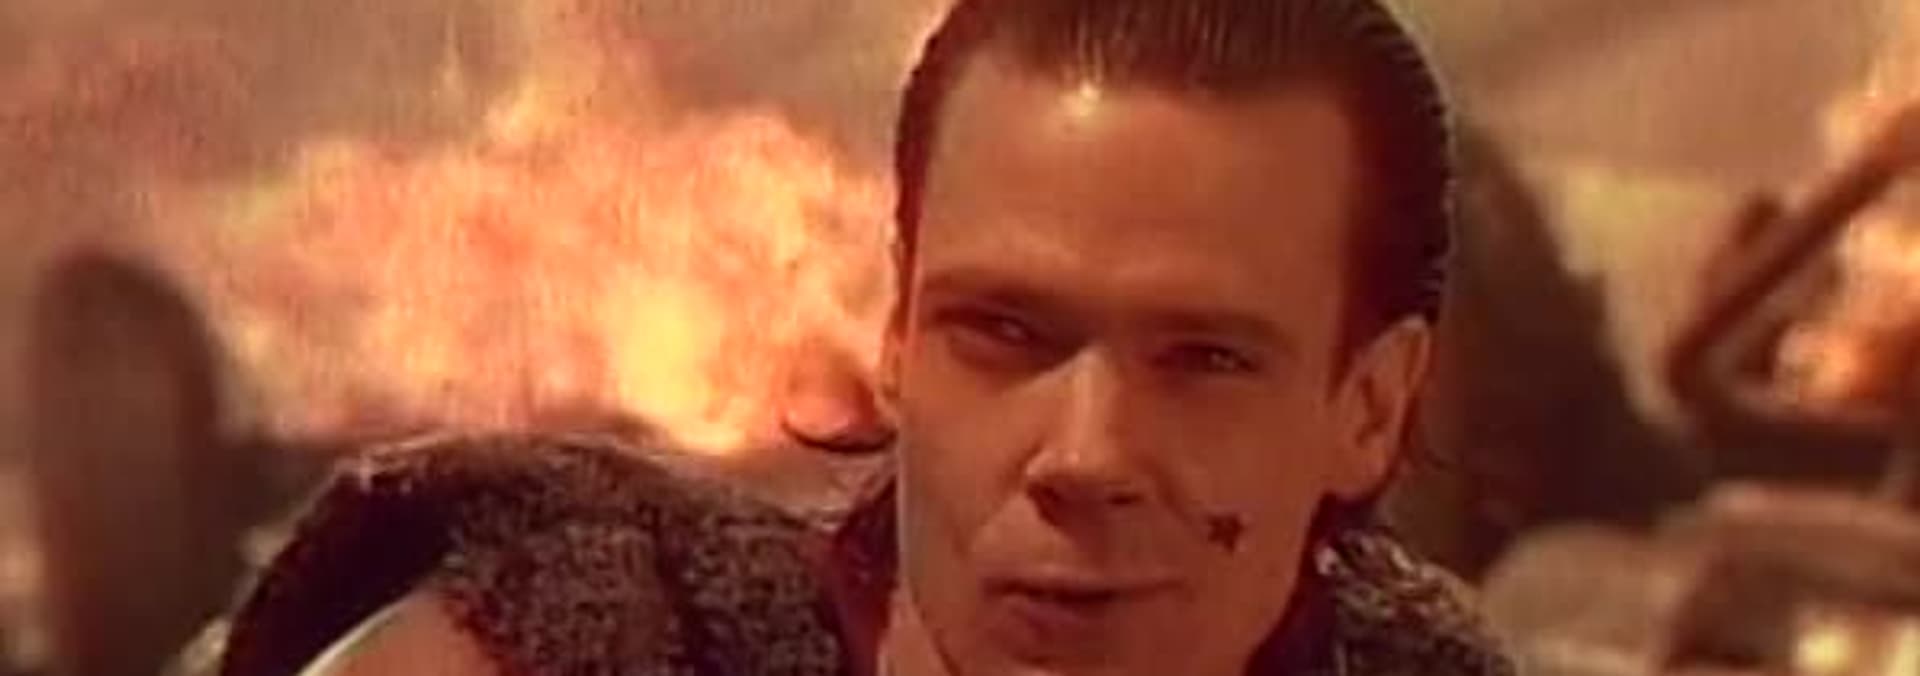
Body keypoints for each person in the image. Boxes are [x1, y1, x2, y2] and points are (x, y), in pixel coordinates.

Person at [214, 0, 1512, 674]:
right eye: (1002, 332)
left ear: (1370, 408)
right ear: (897, 335)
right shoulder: (570, 652)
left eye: (1205, 359)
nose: (1083, 455)